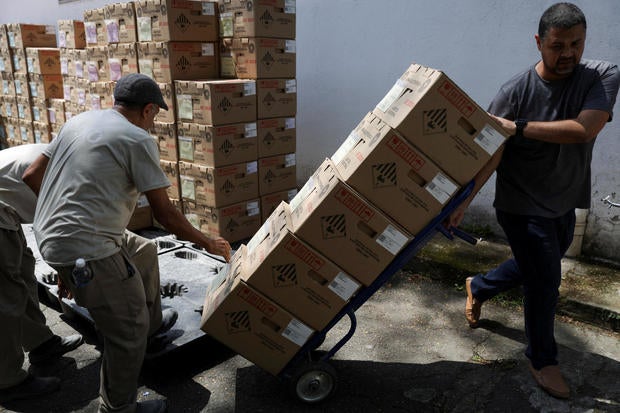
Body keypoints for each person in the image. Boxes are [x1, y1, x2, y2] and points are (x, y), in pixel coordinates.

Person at [22, 73, 232, 413]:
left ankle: (150, 327)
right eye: (155, 116)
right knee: (126, 334)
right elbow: (166, 215)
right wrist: (207, 242)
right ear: (148, 110)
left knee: (145, 250)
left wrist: (62, 249)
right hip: (87, 247)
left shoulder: (79, 121)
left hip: (52, 236)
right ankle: (119, 405)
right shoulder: (136, 139)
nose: (153, 123)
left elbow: (31, 175)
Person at [448, 2, 619, 400]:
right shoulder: (514, 92)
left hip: (563, 199)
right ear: (539, 43)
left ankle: (481, 286)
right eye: (558, 45)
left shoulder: (602, 76)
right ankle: (542, 359)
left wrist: (519, 128)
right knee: (544, 282)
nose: (568, 54)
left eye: (576, 43)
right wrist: (463, 200)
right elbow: (491, 152)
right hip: (521, 204)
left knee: (539, 263)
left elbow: (584, 129)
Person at [0, 143, 84, 404]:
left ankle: (41, 344)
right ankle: (8, 381)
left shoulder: (67, 160)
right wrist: (64, 271)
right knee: (6, 297)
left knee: (24, 272)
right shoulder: (61, 174)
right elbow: (53, 230)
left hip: (6, 210)